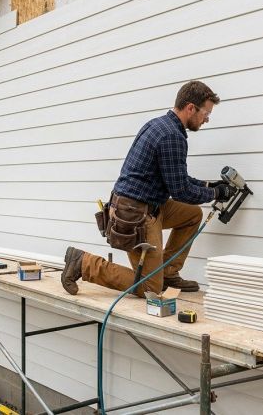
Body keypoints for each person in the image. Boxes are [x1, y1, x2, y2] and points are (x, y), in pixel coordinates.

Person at [61, 81, 233, 297]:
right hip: (134, 216)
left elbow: (177, 178)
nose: (206, 118)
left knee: (192, 215)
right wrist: (216, 194)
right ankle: (84, 263)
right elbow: (181, 191)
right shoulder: (172, 136)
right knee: (151, 288)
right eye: (206, 113)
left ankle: (168, 272)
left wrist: (210, 185)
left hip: (150, 205)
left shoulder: (159, 124)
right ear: (190, 108)